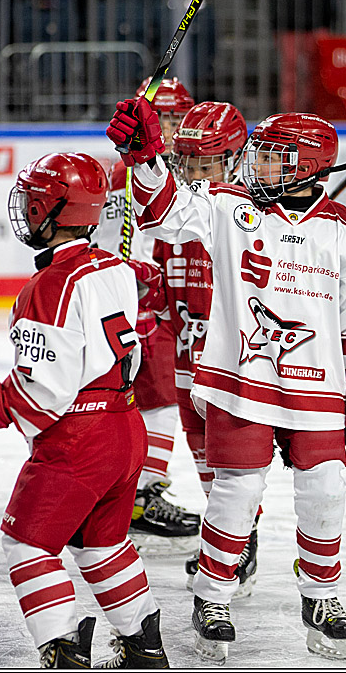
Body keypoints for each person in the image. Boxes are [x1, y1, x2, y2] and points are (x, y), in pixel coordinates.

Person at [107, 102, 346, 663]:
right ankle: (213, 597)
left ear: (308, 166)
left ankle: (322, 597)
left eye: (274, 157)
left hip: (318, 389)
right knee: (235, 492)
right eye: (258, 154)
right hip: (243, 381)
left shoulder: (344, 235)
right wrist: (142, 159)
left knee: (325, 489)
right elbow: (164, 211)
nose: (257, 165)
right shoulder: (230, 209)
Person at [0, 152, 170, 668]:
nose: (26, 213)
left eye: (32, 202)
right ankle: (144, 647)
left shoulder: (49, 287)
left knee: (27, 545)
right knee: (102, 545)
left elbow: (42, 395)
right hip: (126, 430)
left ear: (49, 209)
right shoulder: (116, 269)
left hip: (79, 441)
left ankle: (63, 650)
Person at [150, 100, 262, 598]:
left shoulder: (247, 217)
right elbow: (158, 274)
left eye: (207, 163)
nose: (196, 174)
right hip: (184, 352)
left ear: (235, 160)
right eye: (188, 163)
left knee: (233, 462)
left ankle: (241, 539)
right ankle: (231, 537)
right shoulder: (180, 213)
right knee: (204, 463)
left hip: (234, 363)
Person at [92, 78, 201, 554]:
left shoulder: (171, 169)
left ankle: (136, 492)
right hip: (141, 303)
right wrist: (130, 276)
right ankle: (141, 496)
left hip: (162, 299)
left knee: (160, 398)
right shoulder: (131, 172)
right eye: (170, 117)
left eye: (181, 116)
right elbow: (114, 237)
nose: (177, 126)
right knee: (156, 400)